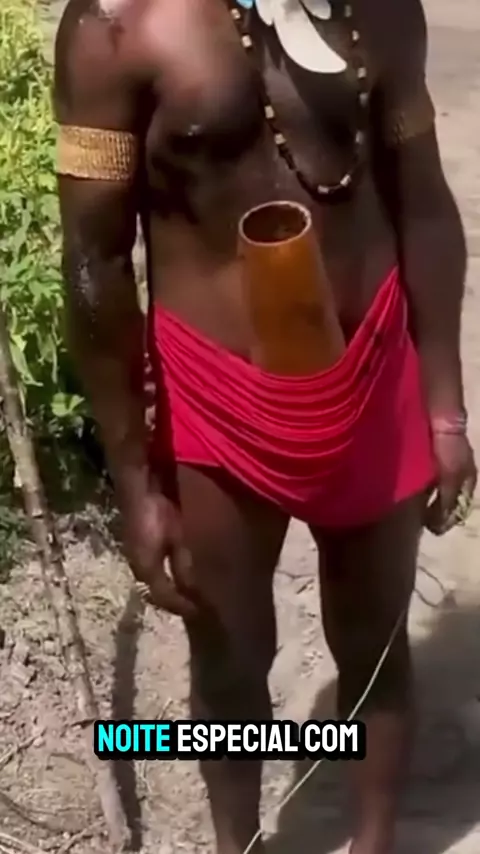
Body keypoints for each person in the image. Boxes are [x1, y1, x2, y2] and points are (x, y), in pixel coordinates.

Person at [54, 0, 476, 852]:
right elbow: (94, 261)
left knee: (375, 646)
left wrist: (445, 409)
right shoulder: (118, 25)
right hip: (215, 402)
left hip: (373, 371)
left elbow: (424, 203)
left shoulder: (381, 11)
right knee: (231, 662)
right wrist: (135, 485)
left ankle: (374, 844)